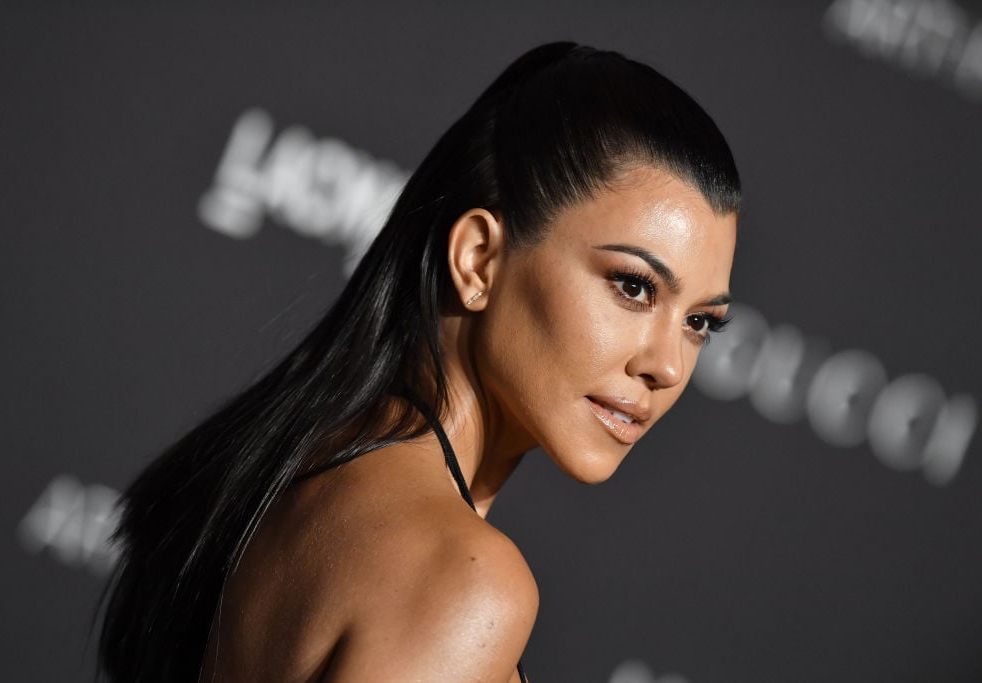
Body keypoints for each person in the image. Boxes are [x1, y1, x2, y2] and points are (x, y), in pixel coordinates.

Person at [99, 42, 740, 682]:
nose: (667, 367)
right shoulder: (463, 582)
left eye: (700, 323)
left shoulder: (294, 472)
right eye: (633, 286)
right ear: (478, 260)